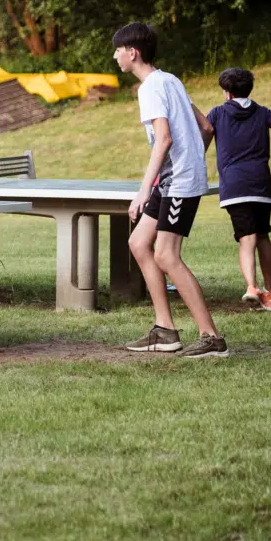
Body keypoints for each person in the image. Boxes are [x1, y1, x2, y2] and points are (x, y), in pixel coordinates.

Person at [112, 22, 228, 358]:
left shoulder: (149, 88)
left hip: (176, 182)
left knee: (166, 255)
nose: (115, 56)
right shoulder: (170, 80)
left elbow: (164, 139)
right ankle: (164, 330)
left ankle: (211, 337)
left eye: (118, 50)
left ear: (132, 52)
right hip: (175, 178)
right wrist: (192, 159)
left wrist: (142, 190)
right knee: (138, 242)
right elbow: (205, 126)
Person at [204, 67, 271, 310]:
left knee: (246, 237)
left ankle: (252, 287)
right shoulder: (262, 112)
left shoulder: (217, 113)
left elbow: (206, 132)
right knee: (263, 235)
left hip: (234, 186)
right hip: (261, 185)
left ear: (227, 93)